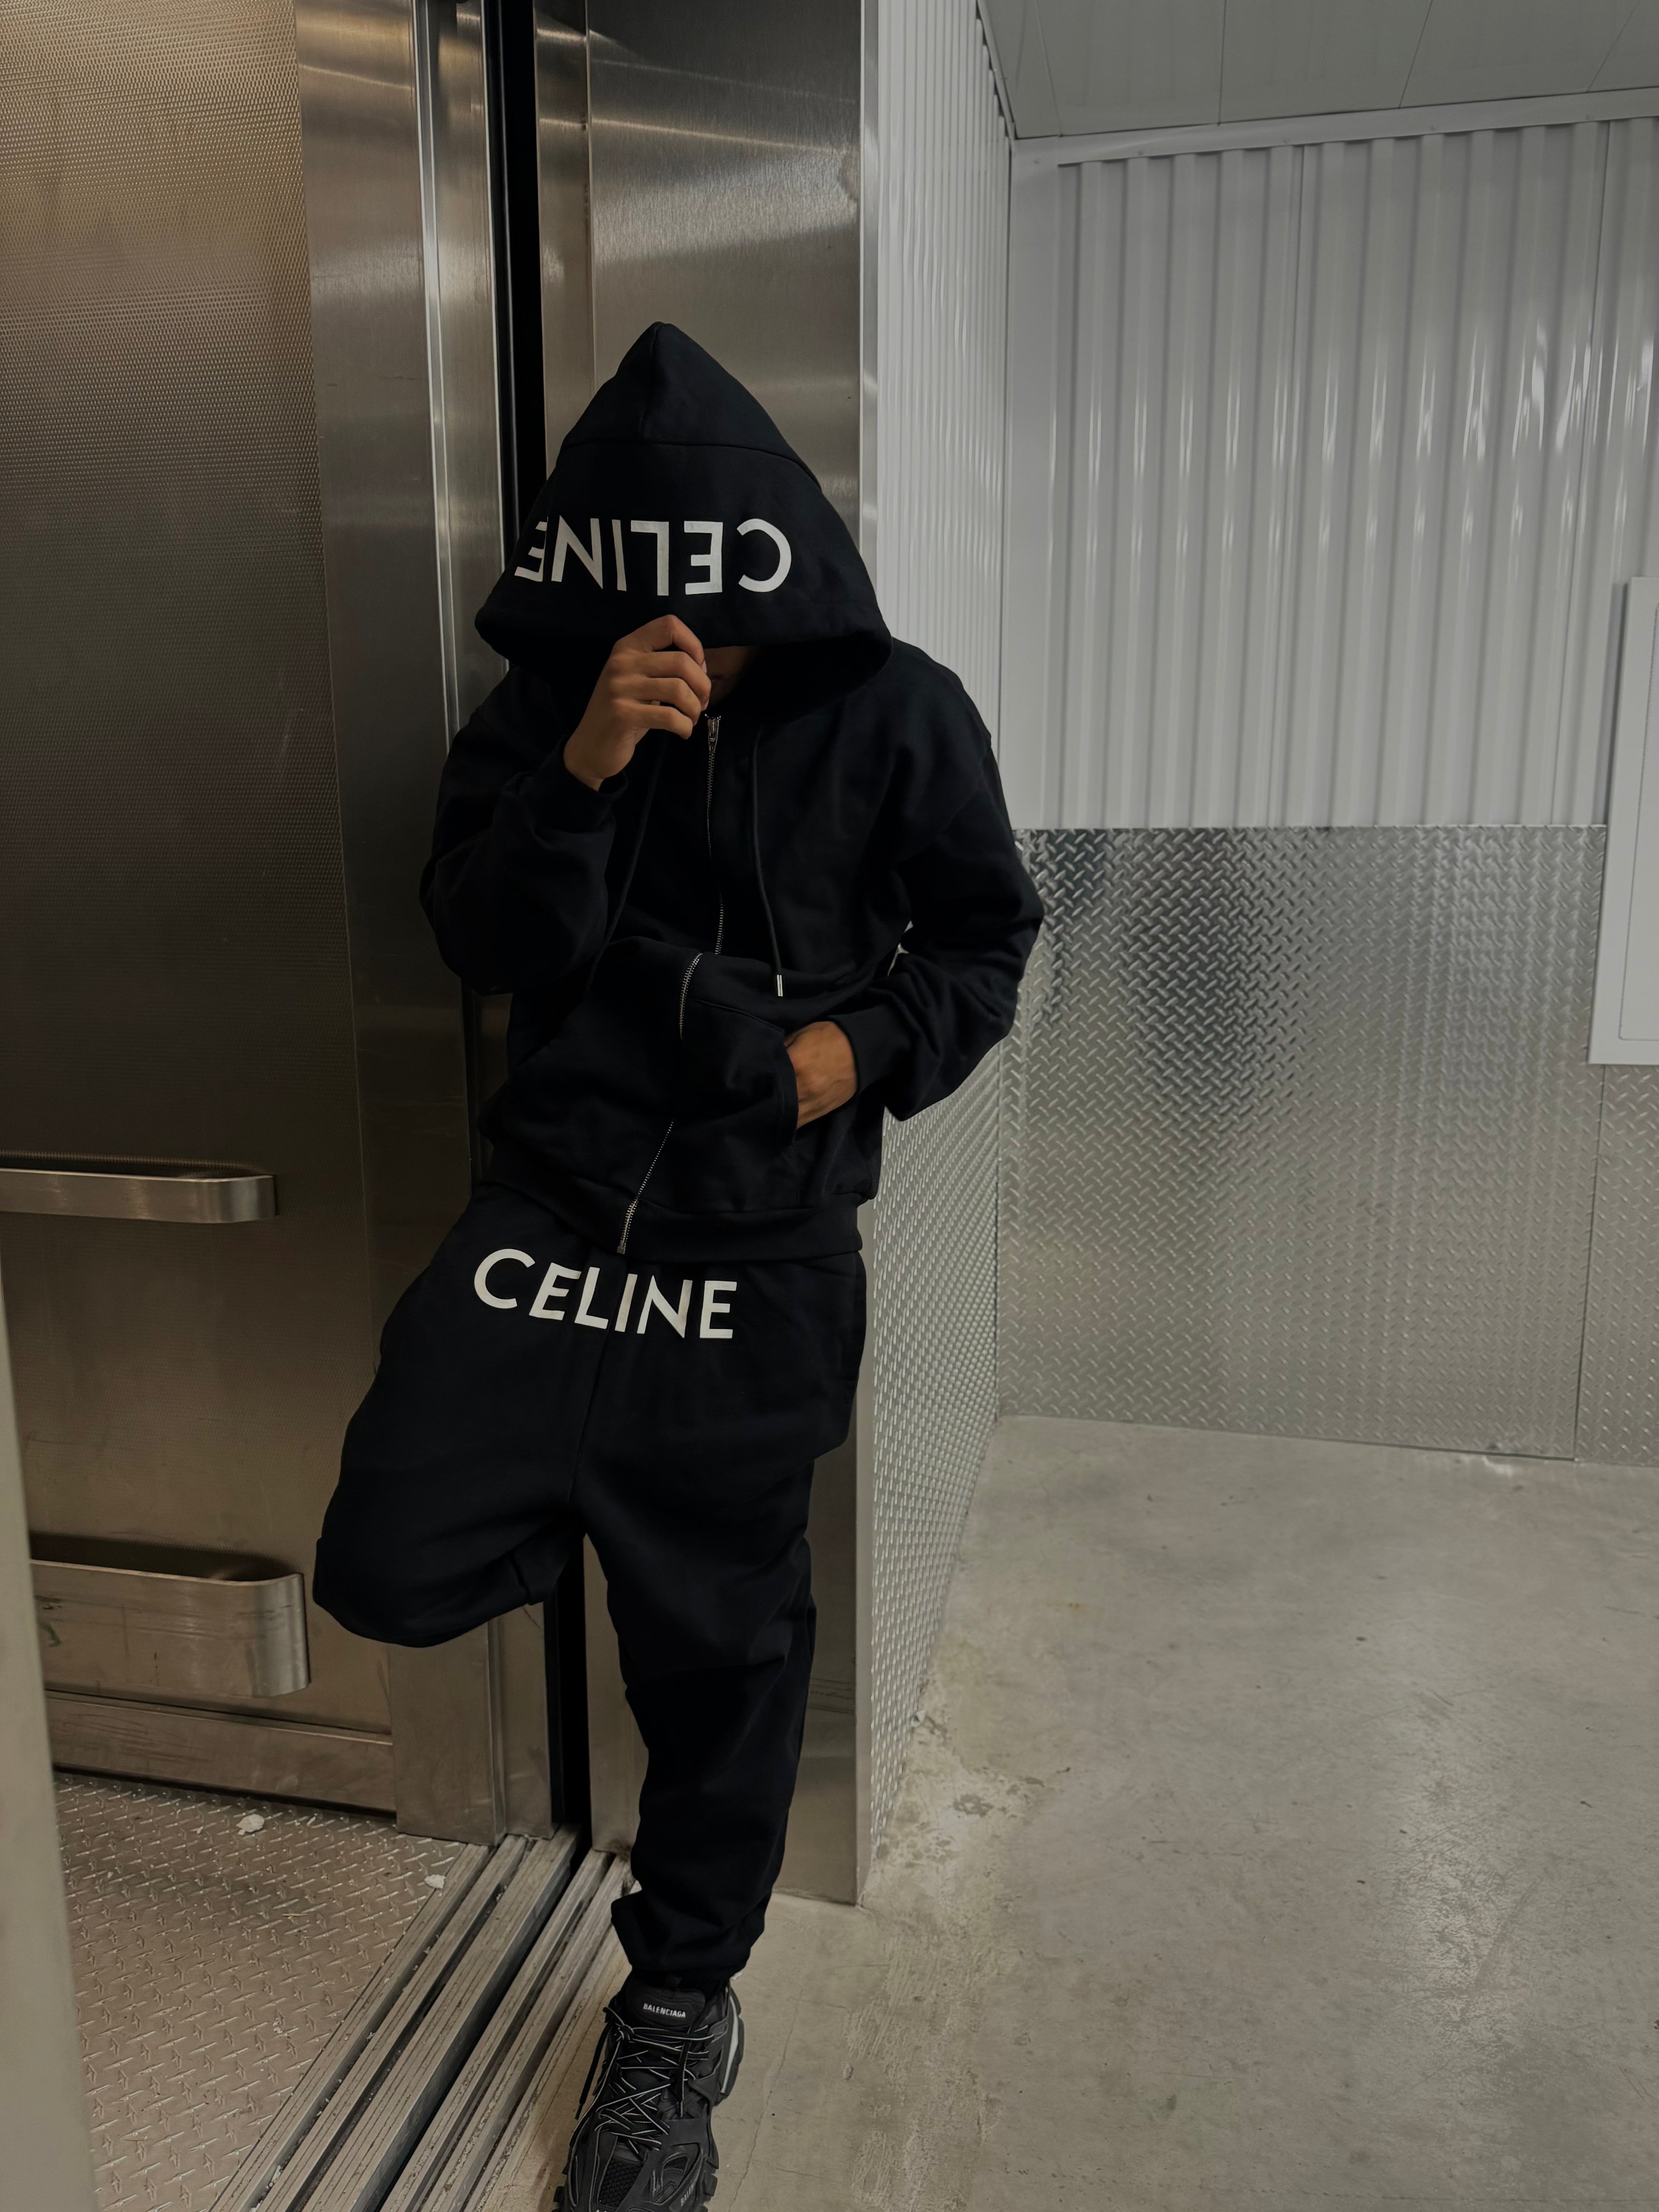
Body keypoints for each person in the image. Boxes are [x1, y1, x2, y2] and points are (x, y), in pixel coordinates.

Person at [312, 323, 1042, 2212]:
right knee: (386, 1555)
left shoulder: (900, 710)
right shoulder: (546, 708)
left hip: (758, 1244)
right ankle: (607, 1501)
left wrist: (843, 1058)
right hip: (551, 1213)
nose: (689, 625)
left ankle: (677, 2005)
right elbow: (484, 935)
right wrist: (582, 765)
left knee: (722, 1669)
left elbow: (984, 941)